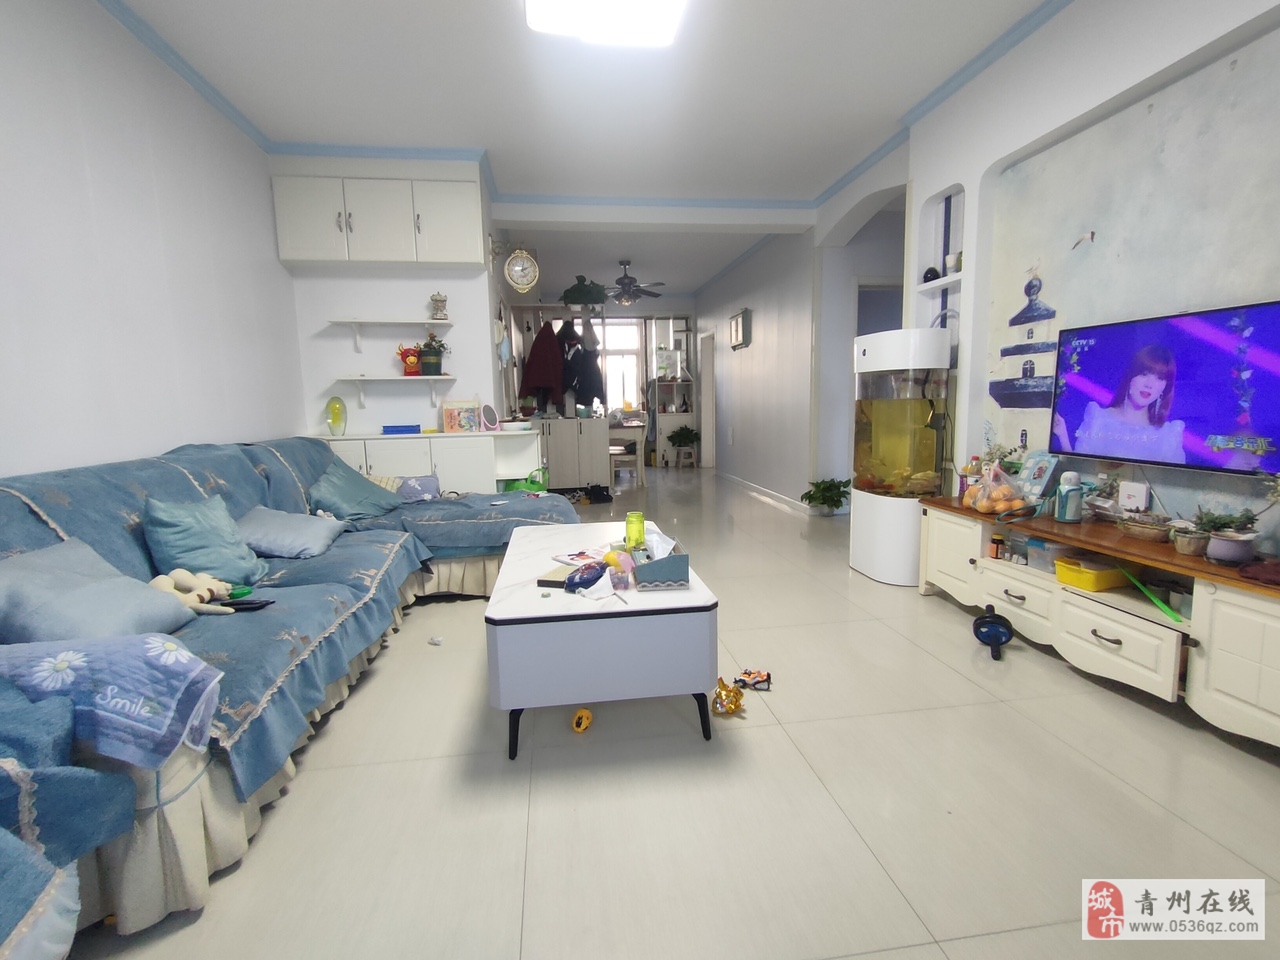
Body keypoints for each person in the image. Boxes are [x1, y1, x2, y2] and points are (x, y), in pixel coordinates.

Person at [1053, 344, 1186, 463]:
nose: (1149, 384)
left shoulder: (1168, 435)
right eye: (1144, 374)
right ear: (1130, 376)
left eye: (1159, 378)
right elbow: (1080, 469)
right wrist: (1062, 435)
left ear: (1164, 388)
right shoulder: (1098, 419)